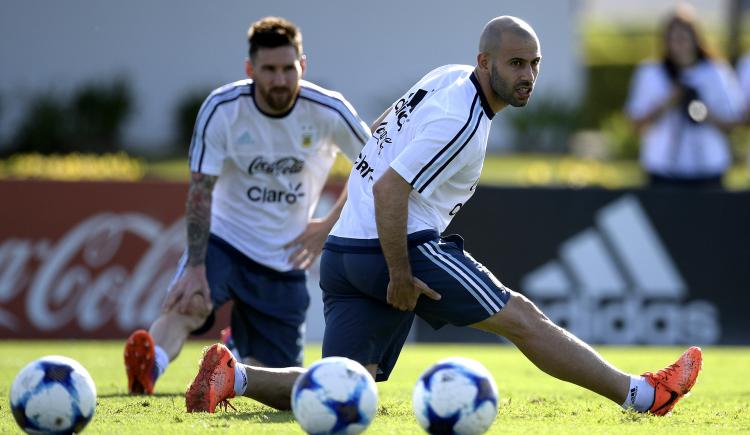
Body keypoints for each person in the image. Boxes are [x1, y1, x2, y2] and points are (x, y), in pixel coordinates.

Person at [184, 16, 703, 417]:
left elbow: (380, 136)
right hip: (394, 248)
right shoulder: (463, 119)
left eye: (535, 64)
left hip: (345, 252)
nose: (528, 76)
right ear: (485, 62)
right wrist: (400, 273)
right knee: (522, 318)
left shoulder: (447, 78)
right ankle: (643, 395)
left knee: (346, 382)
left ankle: (237, 378)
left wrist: (339, 221)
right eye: (516, 64)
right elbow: (390, 188)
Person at [123, 16, 370, 395]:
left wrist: (327, 225)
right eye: (269, 70)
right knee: (187, 305)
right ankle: (149, 367)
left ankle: (228, 362)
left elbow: (376, 168)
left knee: (272, 371)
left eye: (289, 69)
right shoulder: (222, 108)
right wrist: (195, 265)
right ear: (250, 69)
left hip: (285, 256)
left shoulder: (329, 111)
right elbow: (200, 191)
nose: (280, 79)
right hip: (226, 239)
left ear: (302, 66)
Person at [625, 4, 745, 189]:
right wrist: (669, 102)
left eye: (684, 38)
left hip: (708, 168)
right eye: (673, 39)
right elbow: (635, 123)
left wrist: (703, 112)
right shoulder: (652, 73)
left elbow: (735, 120)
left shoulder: (715, 72)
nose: (679, 45)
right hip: (663, 169)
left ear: (696, 39)